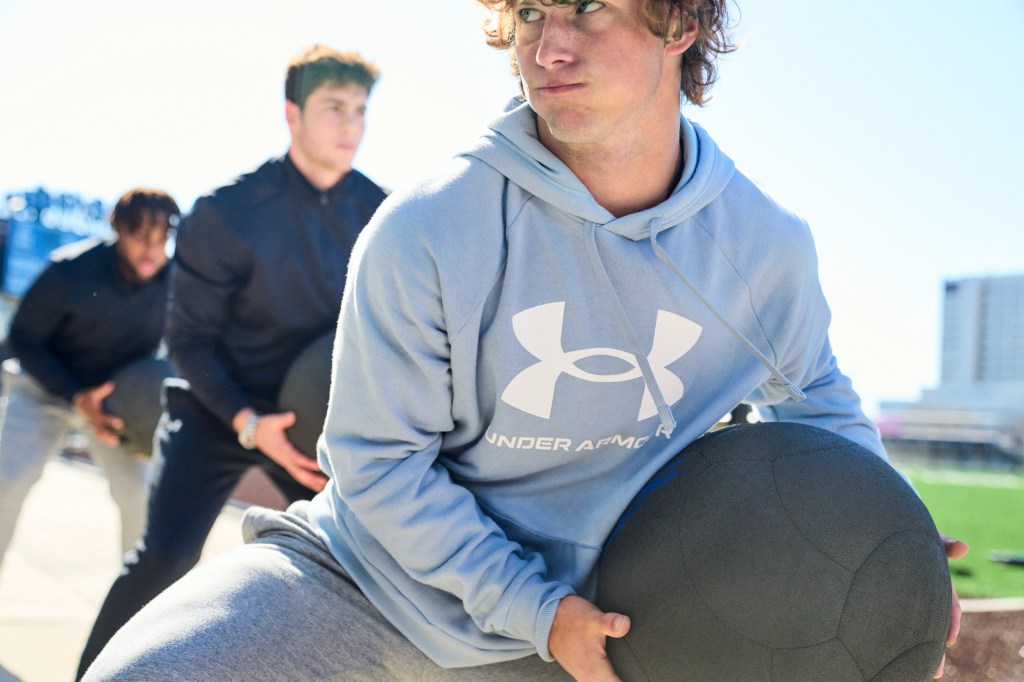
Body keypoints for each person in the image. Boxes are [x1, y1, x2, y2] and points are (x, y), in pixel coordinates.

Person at [81, 2, 967, 681]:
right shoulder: (430, 227)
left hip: (599, 627)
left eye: (586, 8)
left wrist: (892, 547)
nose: (548, 49)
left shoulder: (762, 246)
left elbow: (818, 407)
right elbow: (379, 467)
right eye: (532, 13)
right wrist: (535, 610)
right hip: (369, 586)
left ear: (682, 23)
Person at [76, 45, 387, 677]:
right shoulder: (226, 211)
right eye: (334, 107)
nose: (350, 125)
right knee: (164, 557)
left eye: (359, 110)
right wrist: (248, 422)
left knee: (368, 570)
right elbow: (187, 341)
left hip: (310, 427)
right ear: (292, 113)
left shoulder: (382, 214)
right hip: (218, 412)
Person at [0, 188, 178, 574]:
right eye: (140, 235)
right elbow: (24, 338)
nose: (152, 248)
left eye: (162, 237)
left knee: (141, 496)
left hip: (117, 402)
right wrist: (75, 395)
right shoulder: (69, 271)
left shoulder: (175, 282)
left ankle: (139, 599)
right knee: (7, 481)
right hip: (45, 389)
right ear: (117, 229)